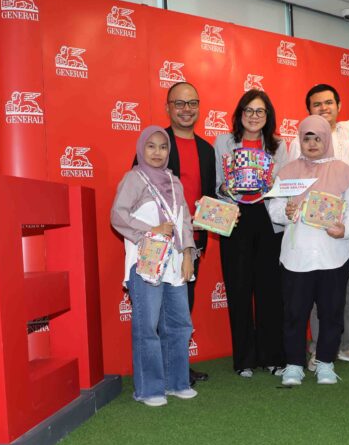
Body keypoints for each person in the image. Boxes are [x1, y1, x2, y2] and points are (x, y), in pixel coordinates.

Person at [287, 69, 349, 369]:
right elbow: (292, 185)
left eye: (329, 102)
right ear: (309, 110)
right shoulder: (298, 142)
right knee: (321, 289)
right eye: (317, 104)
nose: (323, 108)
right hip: (318, 227)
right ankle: (319, 348)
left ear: (339, 106)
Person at [267, 115, 349, 386]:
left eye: (317, 138)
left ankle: (326, 363)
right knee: (294, 314)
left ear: (327, 139)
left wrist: (345, 229)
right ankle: (294, 365)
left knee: (331, 314)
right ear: (300, 141)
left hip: (334, 255)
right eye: (306, 138)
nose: (312, 143)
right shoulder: (287, 172)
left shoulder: (344, 171)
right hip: (296, 256)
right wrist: (286, 213)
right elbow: (274, 209)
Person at [110, 126, 198, 407]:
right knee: (147, 326)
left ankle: (177, 383)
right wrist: (150, 231)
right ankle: (149, 390)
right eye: (151, 146)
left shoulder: (174, 182)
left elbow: (184, 220)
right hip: (145, 262)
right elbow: (118, 215)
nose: (157, 152)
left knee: (180, 324)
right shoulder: (133, 179)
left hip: (175, 265)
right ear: (141, 149)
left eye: (163, 147)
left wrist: (188, 254)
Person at [214, 89, 287, 378]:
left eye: (260, 111)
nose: (254, 116)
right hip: (236, 219)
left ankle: (272, 356)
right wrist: (225, 188)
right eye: (248, 110)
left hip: (268, 220)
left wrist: (271, 186)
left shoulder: (279, 146)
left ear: (268, 116)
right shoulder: (223, 142)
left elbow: (284, 186)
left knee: (271, 291)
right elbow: (217, 185)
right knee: (239, 288)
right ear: (239, 114)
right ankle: (244, 359)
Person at [164, 81, 217, 387]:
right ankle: (163, 368)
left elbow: (210, 198)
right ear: (168, 107)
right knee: (163, 307)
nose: (187, 109)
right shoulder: (157, 143)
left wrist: (223, 215)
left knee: (185, 304)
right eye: (180, 103)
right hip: (162, 242)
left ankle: (179, 365)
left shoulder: (206, 150)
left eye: (192, 103)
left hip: (193, 243)